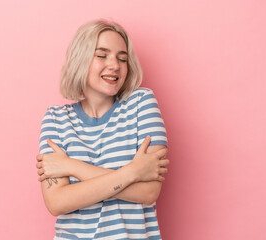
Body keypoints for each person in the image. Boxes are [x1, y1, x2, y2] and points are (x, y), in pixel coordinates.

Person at [36, 19, 169, 240]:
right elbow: (57, 202)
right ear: (81, 59)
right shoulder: (56, 119)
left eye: (122, 58)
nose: (115, 65)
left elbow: (148, 192)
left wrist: (70, 166)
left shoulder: (142, 104)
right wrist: (134, 172)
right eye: (102, 55)